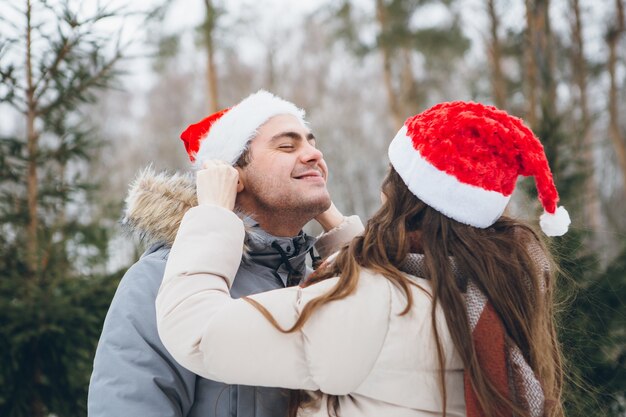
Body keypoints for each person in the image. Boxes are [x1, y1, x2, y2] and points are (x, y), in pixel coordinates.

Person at [155, 101, 571, 417]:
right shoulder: (476, 289)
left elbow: (195, 331)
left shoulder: (373, 304)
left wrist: (211, 214)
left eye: (393, 178)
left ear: (405, 197)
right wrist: (335, 225)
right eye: (286, 145)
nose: (312, 155)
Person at [88, 90, 363, 417]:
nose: (313, 155)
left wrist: (338, 228)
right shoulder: (160, 279)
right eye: (287, 146)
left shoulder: (313, 281)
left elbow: (401, 324)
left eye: (313, 144)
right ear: (234, 176)